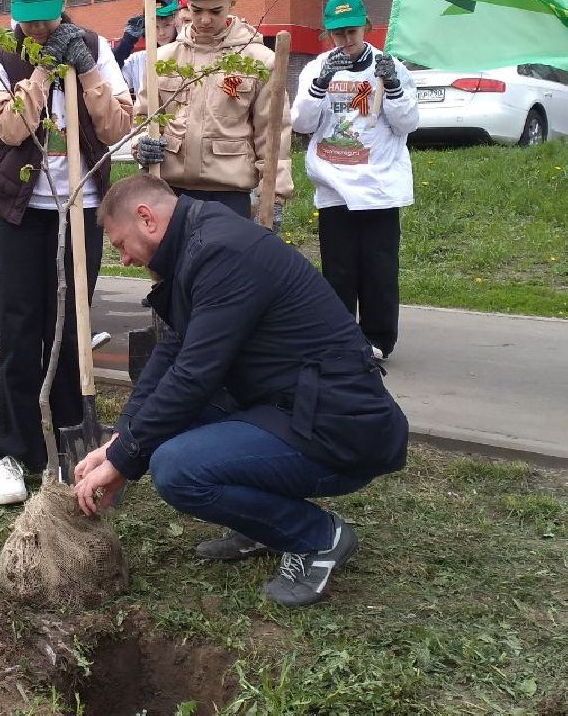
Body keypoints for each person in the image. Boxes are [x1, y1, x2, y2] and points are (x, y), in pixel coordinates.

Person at [74, 174, 409, 608]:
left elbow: (195, 375)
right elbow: (172, 353)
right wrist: (122, 438)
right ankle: (264, 526)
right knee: (164, 431)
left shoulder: (220, 252)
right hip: (290, 406)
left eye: (121, 245)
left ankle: (319, 538)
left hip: (337, 426)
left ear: (146, 219)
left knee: (177, 468)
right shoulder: (198, 244)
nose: (123, 260)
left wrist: (124, 462)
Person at [0, 0, 133, 505]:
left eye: (46, 19)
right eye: (29, 20)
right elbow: (11, 127)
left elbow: (117, 126)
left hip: (79, 204)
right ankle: (15, 453)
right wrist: (43, 71)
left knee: (73, 327)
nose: (38, 29)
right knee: (19, 329)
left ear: (62, 4)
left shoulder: (94, 45)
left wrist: (86, 70)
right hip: (22, 208)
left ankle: (76, 445)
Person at [291, 0, 418, 360]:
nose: (345, 42)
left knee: (379, 267)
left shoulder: (388, 66)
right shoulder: (318, 67)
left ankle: (378, 339)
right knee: (339, 268)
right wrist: (320, 87)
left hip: (379, 183)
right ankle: (341, 338)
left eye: (352, 32)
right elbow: (301, 122)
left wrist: (392, 87)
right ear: (326, 35)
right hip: (334, 184)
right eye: (337, 34)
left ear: (367, 28)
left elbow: (408, 123)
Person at [132, 0, 291, 223]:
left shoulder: (259, 60)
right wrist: (141, 146)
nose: (205, 19)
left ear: (233, 2)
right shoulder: (162, 59)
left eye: (215, 11)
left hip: (229, 194)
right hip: (170, 191)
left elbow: (273, 132)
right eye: (197, 10)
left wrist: (273, 195)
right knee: (174, 265)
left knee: (226, 265)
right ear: (186, 7)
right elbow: (144, 119)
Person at [118, 0, 181, 97]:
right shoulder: (138, 60)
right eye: (155, 26)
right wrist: (126, 42)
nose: (161, 33)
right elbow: (110, 73)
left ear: (177, 24)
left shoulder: (185, 55)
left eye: (167, 25)